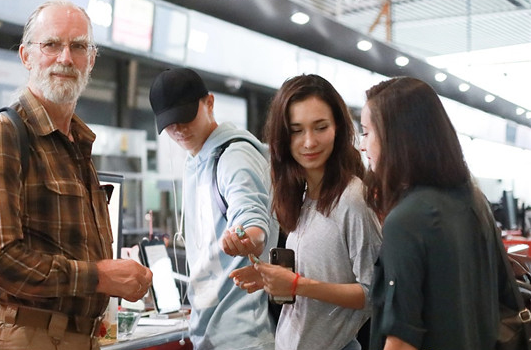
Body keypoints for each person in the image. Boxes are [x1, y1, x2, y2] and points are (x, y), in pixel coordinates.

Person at [0, 0, 152, 350]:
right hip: (25, 336)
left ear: (91, 60)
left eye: (78, 46)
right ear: (26, 56)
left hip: (81, 337)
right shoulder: (4, 132)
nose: (65, 58)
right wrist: (99, 277)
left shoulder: (77, 143)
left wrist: (113, 276)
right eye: (51, 45)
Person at [230, 74, 382, 350]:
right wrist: (272, 277)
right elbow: (326, 272)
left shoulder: (352, 198)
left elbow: (373, 293)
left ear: (338, 128)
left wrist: (297, 284)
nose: (309, 142)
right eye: (297, 130)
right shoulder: (302, 197)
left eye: (320, 127)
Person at [360, 76, 500, 349]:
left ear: (395, 137)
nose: (362, 145)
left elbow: (401, 341)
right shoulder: (474, 201)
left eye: (366, 132)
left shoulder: (407, 220)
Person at [148, 67, 278, 350]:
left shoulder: (234, 156)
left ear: (209, 103)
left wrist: (251, 237)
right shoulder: (197, 159)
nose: (179, 129)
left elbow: (250, 212)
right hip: (213, 333)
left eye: (185, 117)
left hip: (245, 336)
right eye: (169, 124)